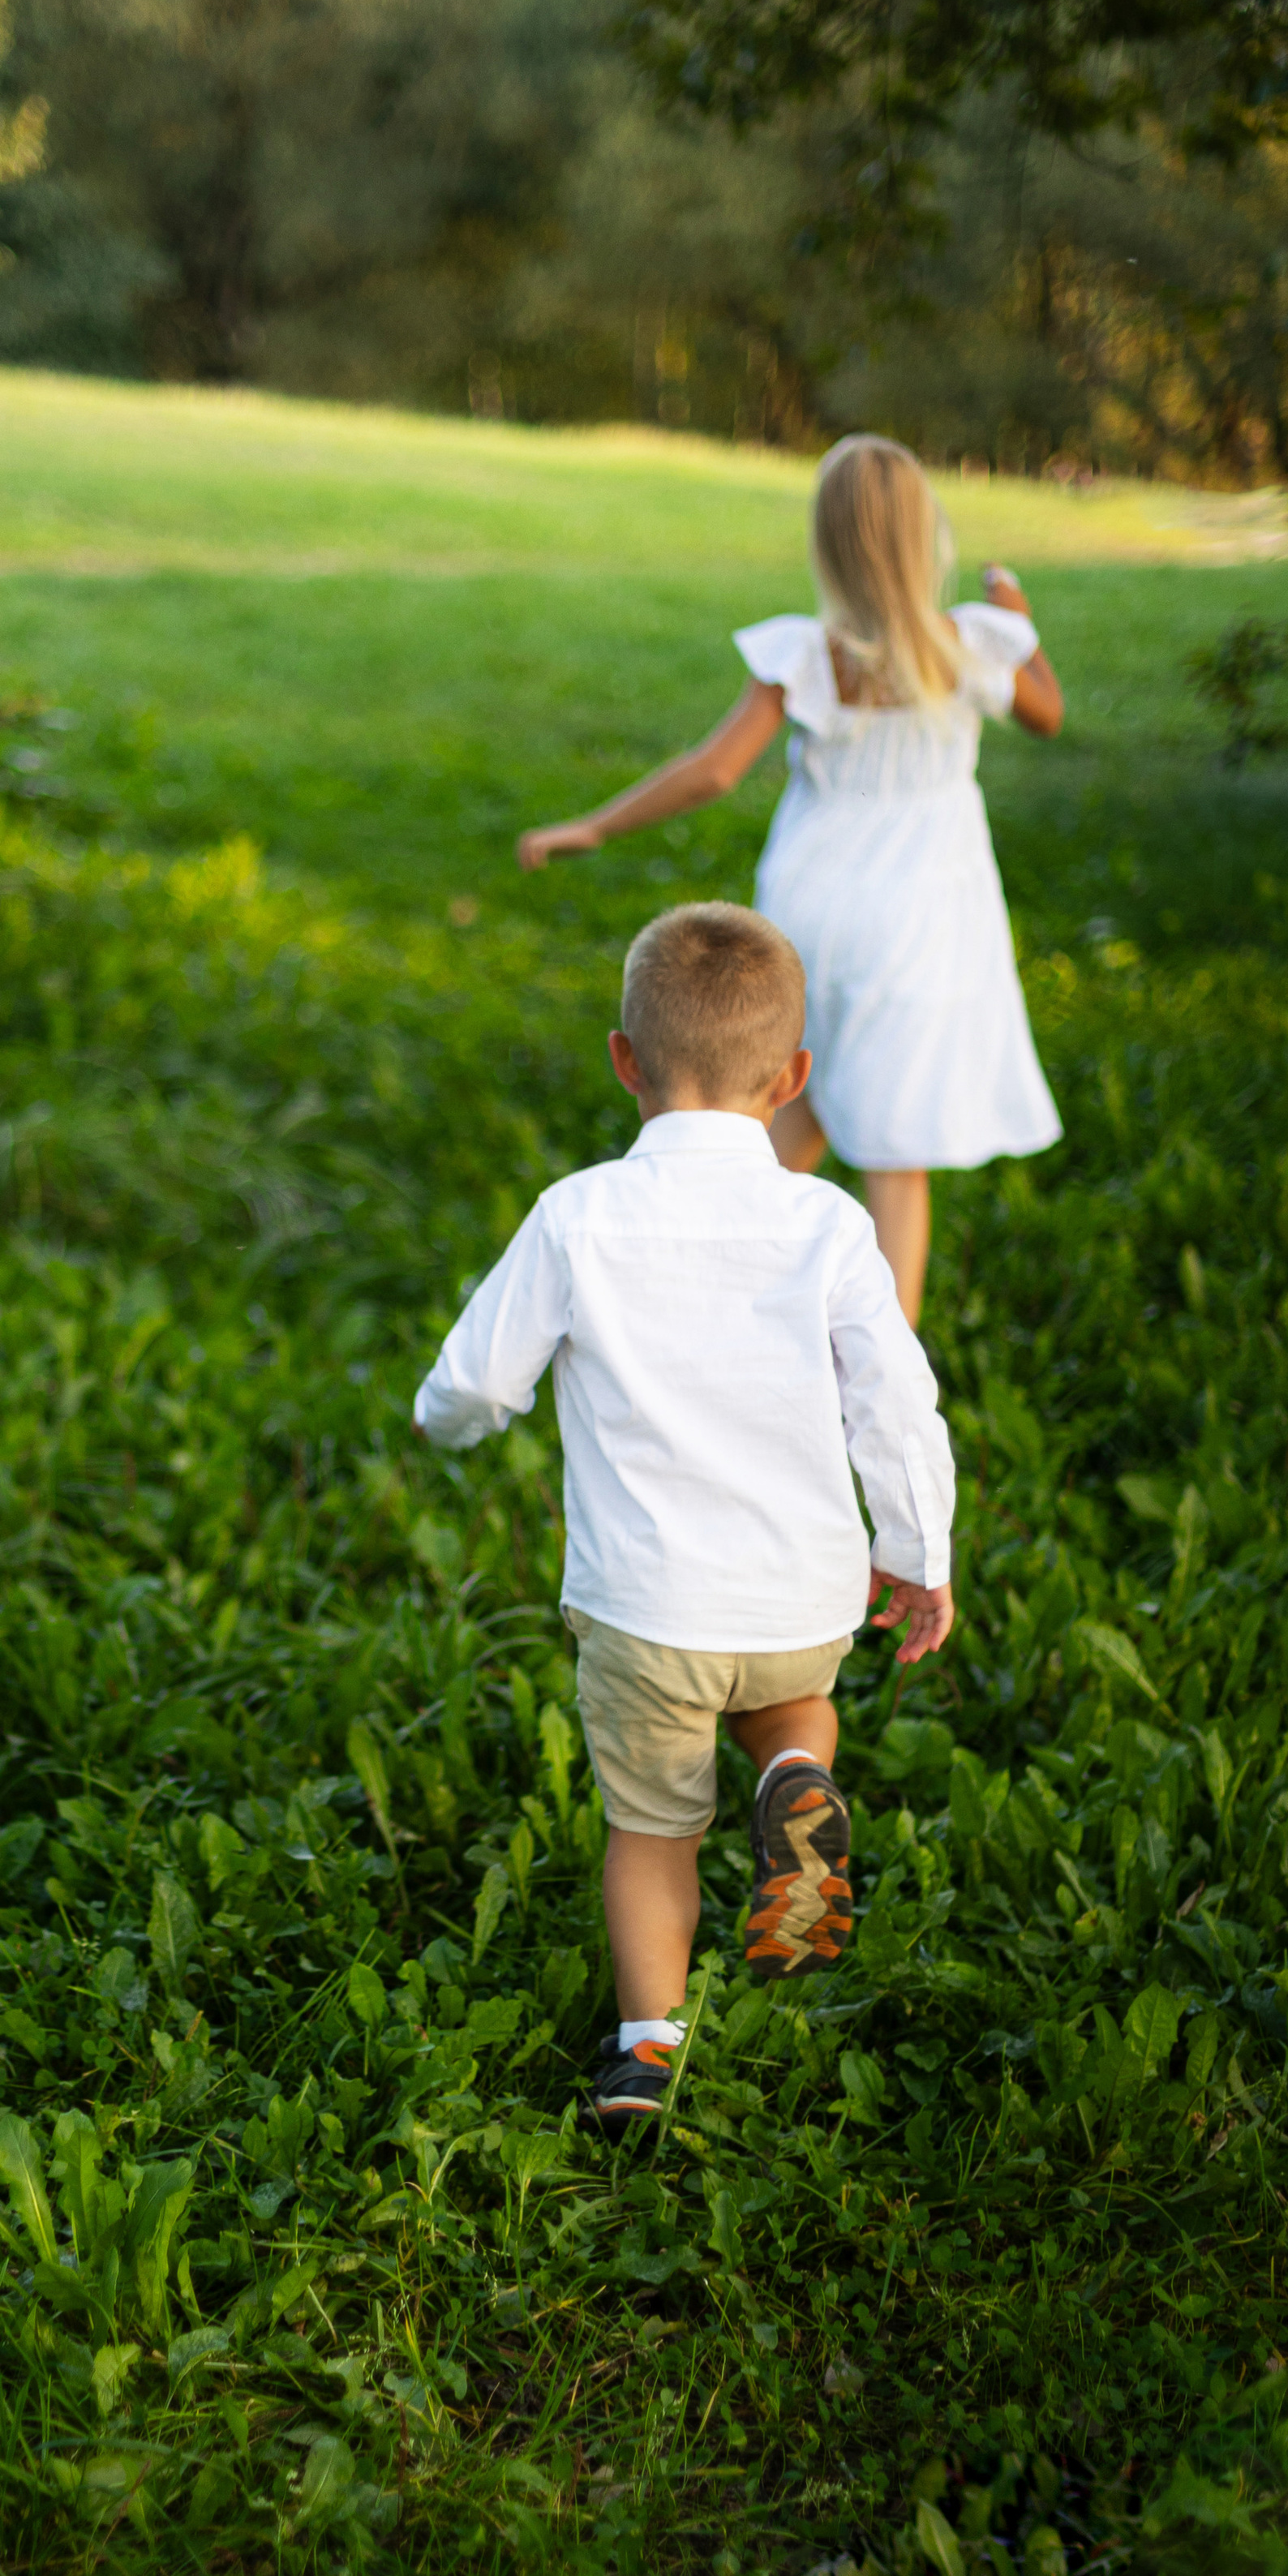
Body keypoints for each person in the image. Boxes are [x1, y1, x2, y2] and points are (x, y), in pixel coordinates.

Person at [414, 901, 956, 2134]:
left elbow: (481, 1379)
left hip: (649, 1610)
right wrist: (917, 1554)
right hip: (801, 1595)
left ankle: (647, 2055)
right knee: (790, 1695)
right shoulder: (828, 1222)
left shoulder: (578, 1215)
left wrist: (440, 1416)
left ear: (623, 1059)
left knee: (652, 1828)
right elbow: (897, 1402)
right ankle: (799, 1774)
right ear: (795, 1078)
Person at [516, 434, 1064, 1327]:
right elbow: (1046, 711)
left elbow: (712, 771)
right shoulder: (968, 643)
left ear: (829, 544)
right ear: (927, 534)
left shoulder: (806, 655)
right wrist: (1016, 609)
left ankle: (688, 1297)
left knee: (785, 1105)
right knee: (892, 1153)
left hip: (811, 903)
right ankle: (879, 1380)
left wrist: (595, 825)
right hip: (918, 911)